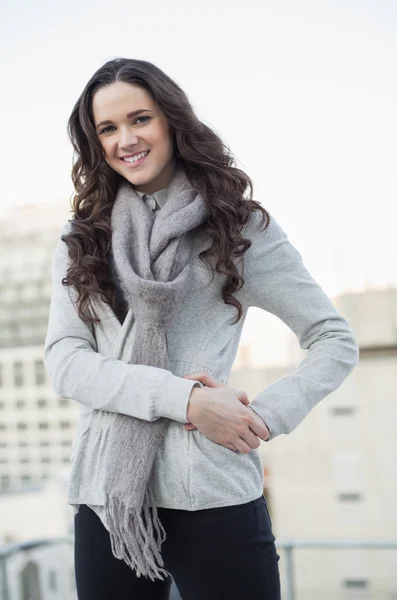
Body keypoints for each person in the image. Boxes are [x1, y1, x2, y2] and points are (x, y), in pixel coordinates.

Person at [43, 57, 359, 600]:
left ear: (170, 119)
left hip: (213, 490)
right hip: (109, 500)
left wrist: (260, 417)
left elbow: (334, 339)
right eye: (108, 129)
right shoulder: (83, 237)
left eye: (139, 119)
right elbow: (67, 363)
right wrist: (184, 399)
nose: (126, 140)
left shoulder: (239, 227)